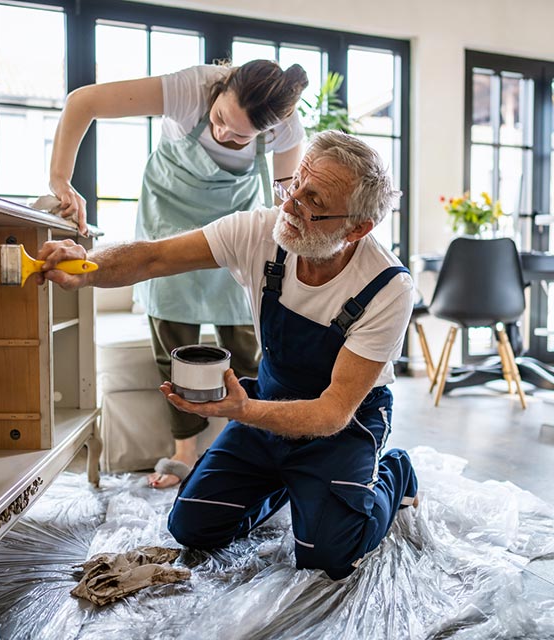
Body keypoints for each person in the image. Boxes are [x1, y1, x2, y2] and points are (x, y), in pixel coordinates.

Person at [38, 130, 418, 580]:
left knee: (329, 557)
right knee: (193, 527)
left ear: (357, 228)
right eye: (293, 183)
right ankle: (289, 483)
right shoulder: (262, 232)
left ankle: (396, 471)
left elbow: (333, 412)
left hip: (344, 424)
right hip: (270, 401)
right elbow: (154, 258)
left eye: (312, 199)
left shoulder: (387, 288)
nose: (291, 203)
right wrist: (87, 267)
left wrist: (243, 410)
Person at [49, 60, 309, 488]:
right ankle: (184, 450)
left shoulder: (286, 128)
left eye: (242, 136)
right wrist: (61, 180)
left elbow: (284, 204)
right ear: (220, 89)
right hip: (168, 215)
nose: (225, 134)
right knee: (175, 341)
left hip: (233, 224)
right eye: (221, 118)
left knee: (247, 346)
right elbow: (84, 102)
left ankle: (245, 449)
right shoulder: (190, 89)